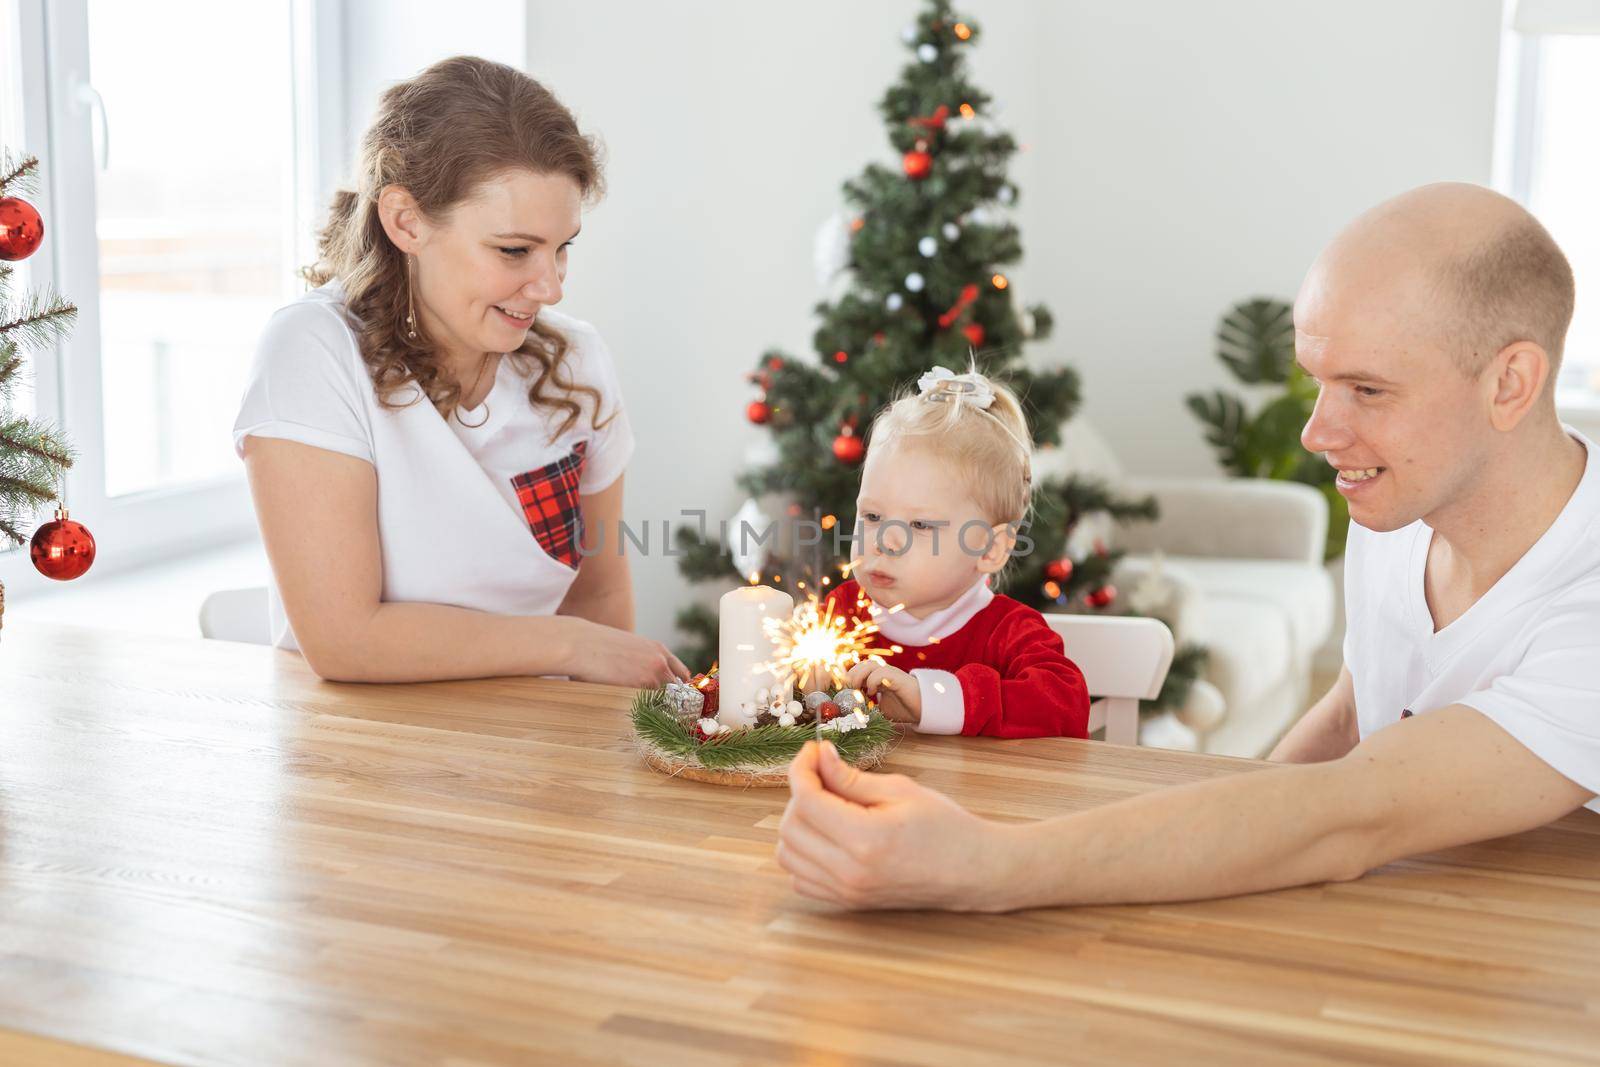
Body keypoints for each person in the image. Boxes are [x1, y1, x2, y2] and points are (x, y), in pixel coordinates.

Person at [778, 182, 1599, 911]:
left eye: (1368, 390)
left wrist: (982, 865)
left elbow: (1353, 815)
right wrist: (1234, 836)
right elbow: (1357, 706)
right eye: (1319, 381)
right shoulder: (1410, 505)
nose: (1317, 431)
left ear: (1511, 384)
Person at [233, 56, 686, 687]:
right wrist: (566, 645)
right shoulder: (314, 351)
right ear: (406, 221)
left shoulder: (575, 362)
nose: (550, 287)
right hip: (363, 755)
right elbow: (345, 640)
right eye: (514, 250)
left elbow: (600, 601)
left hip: (533, 747)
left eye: (563, 249)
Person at [823, 366, 1090, 738]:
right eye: (871, 515)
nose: (885, 541)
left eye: (920, 525)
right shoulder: (841, 615)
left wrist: (929, 699)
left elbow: (1067, 707)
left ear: (991, 549)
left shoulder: (1008, 632)